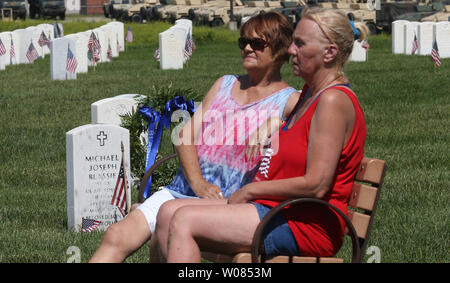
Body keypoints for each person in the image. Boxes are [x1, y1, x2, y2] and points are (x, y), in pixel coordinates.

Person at [155, 8, 368, 262]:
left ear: (330, 53)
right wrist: (273, 122)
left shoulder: (333, 100)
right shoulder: (310, 94)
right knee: (167, 212)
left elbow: (316, 184)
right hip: (276, 210)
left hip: (305, 224)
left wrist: (251, 190)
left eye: (299, 44)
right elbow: (300, 132)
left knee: (183, 220)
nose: (290, 51)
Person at [89, 11, 299, 263]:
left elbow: (306, 137)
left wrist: (275, 121)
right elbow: (184, 137)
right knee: (116, 234)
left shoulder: (288, 102)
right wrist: (198, 183)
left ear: (279, 50)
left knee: (167, 230)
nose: (247, 48)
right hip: (185, 189)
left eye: (257, 43)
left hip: (228, 203)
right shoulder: (225, 84)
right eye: (243, 42)